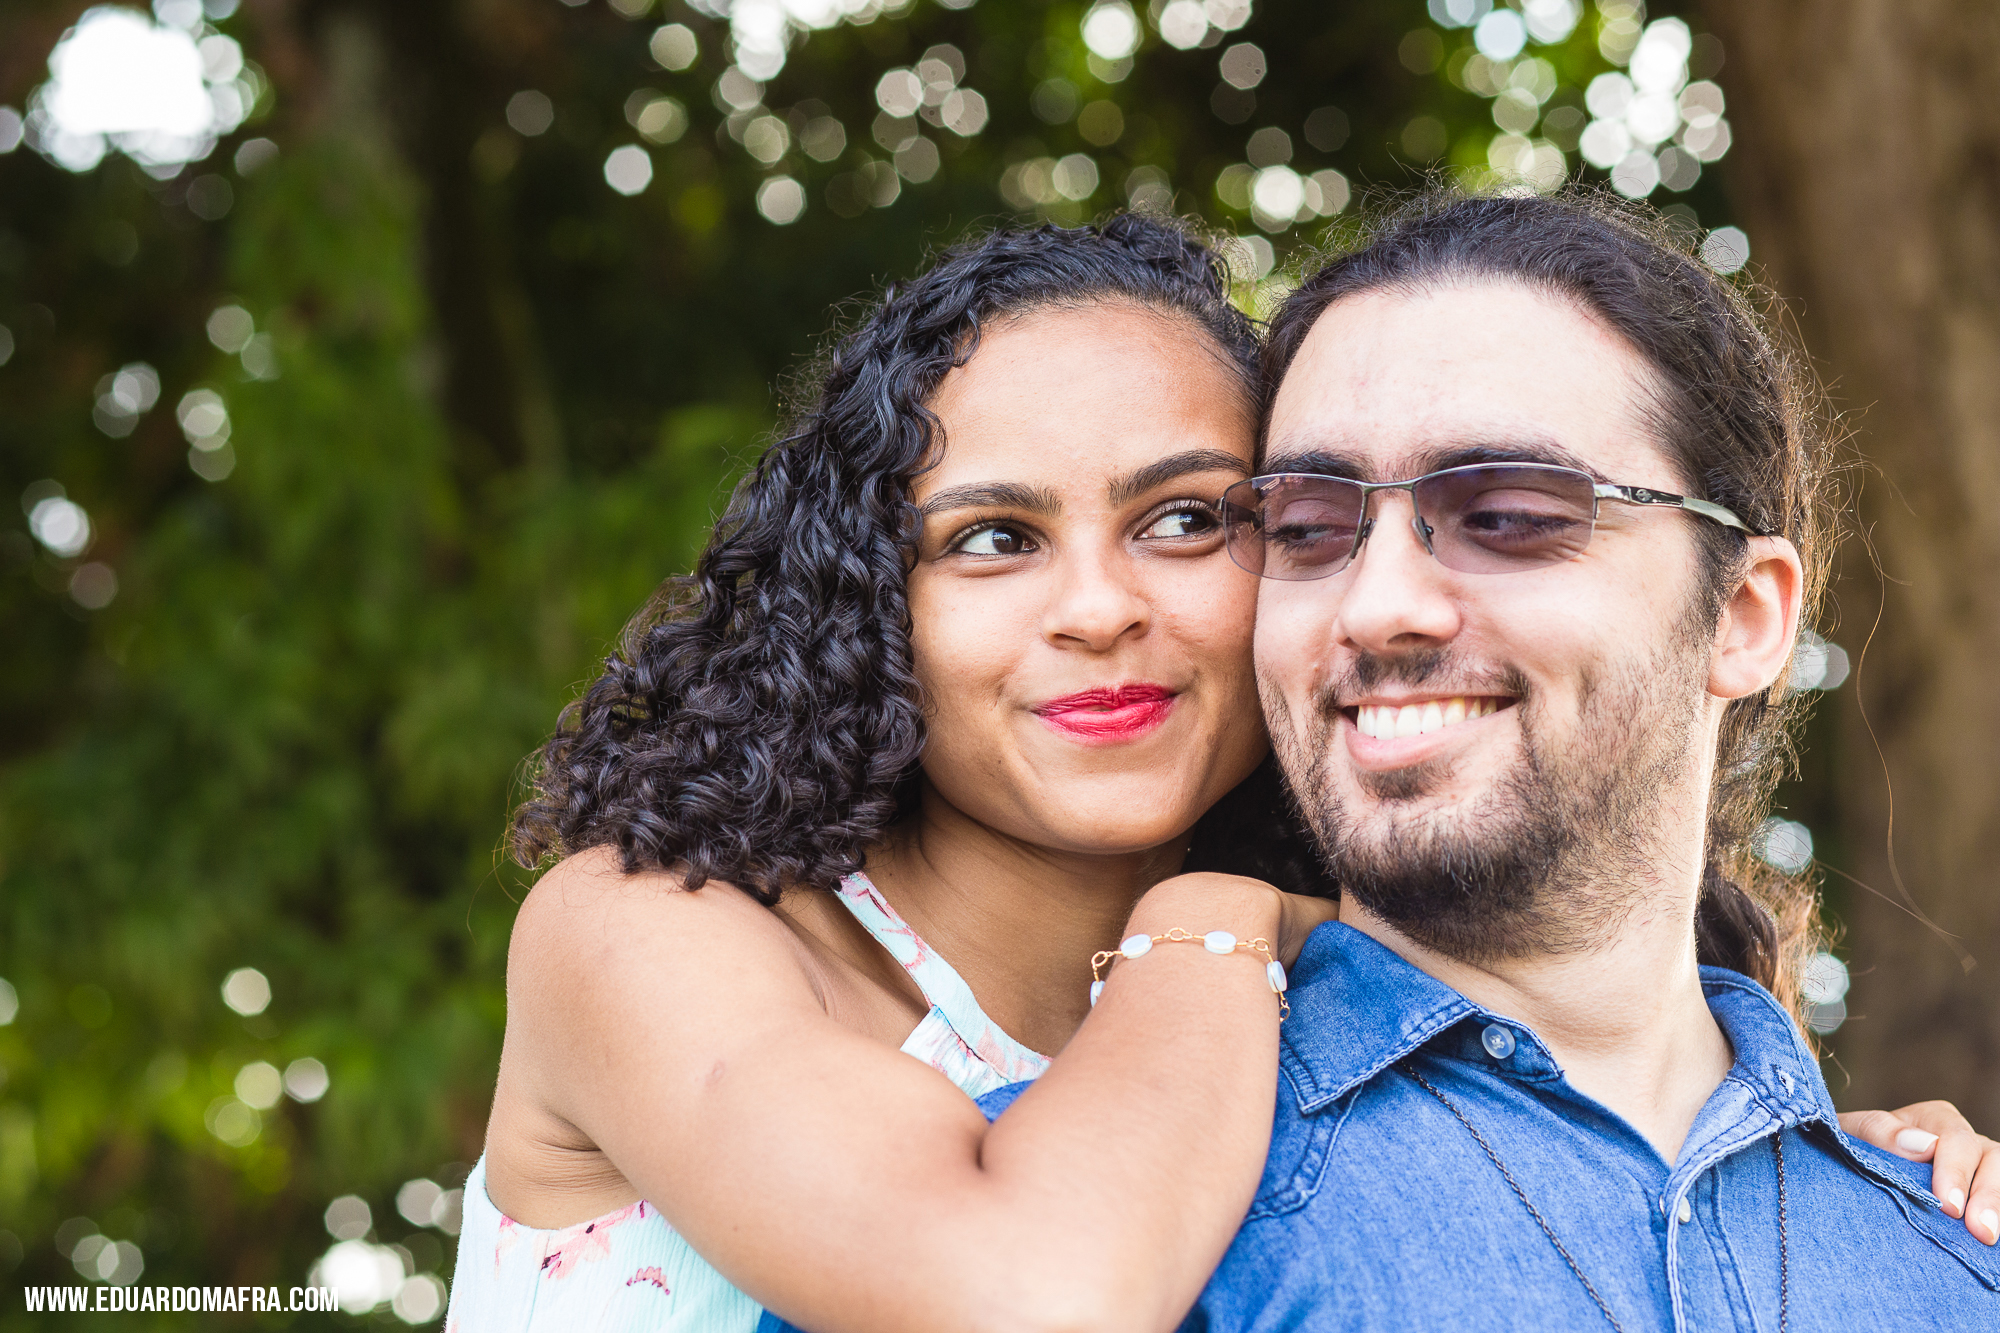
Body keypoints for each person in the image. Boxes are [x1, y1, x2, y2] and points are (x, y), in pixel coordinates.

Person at [450, 213, 1995, 1333]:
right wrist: (1216, 914)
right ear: (873, 600)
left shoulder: (1319, 992)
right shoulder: (656, 929)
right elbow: (1026, 1290)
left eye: (1189, 518)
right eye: (994, 539)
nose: (1101, 605)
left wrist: (1811, 1190)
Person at [1133, 190, 2000, 1329]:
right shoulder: (1056, 1252)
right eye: (1306, 527)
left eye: (1505, 512)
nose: (1375, 604)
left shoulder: (1954, 1255)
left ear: (1742, 614)